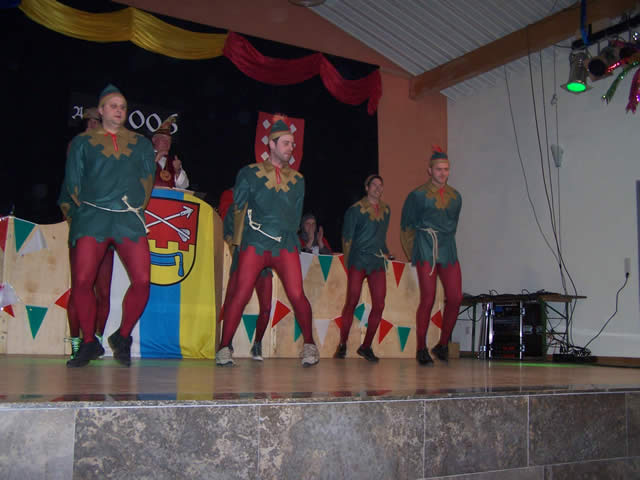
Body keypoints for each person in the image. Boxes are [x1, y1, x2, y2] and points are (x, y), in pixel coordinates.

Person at [62, 84, 155, 368]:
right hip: (93, 216)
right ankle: (89, 341)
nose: (119, 110)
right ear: (101, 110)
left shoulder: (141, 143)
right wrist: (91, 205)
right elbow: (73, 182)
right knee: (82, 281)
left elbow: (147, 179)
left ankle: (122, 337)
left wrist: (133, 205)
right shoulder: (82, 143)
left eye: (123, 107)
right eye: (113, 106)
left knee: (142, 280)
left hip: (128, 217)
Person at [216, 116, 319, 367]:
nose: (290, 148)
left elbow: (295, 216)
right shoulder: (249, 173)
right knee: (240, 293)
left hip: (284, 244)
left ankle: (310, 345)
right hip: (256, 242)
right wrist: (236, 242)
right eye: (285, 143)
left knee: (297, 293)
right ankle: (224, 347)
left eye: (292, 144)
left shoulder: (298, 180)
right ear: (271, 144)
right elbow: (237, 209)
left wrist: (293, 240)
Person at [59, 106, 113, 360]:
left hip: (107, 232)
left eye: (97, 122)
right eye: (89, 122)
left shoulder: (112, 158)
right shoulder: (75, 159)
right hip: (84, 232)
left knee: (104, 291)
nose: (93, 126)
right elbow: (66, 200)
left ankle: (97, 341)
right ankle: (77, 342)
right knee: (80, 287)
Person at [400, 146, 463, 365]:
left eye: (446, 169)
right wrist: (413, 253)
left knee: (455, 297)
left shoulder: (456, 197)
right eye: (438, 169)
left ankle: (442, 344)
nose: (442, 173)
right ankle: (421, 348)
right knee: (428, 298)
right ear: (430, 170)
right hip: (426, 247)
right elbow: (406, 226)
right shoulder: (417, 196)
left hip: (448, 249)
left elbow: (453, 225)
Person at [334, 175, 390, 362]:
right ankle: (342, 344)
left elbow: (381, 236)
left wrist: (386, 252)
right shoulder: (355, 210)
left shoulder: (386, 210)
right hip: (358, 261)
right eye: (374, 184)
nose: (377, 188)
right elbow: (347, 239)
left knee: (379, 304)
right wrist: (349, 264)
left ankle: (366, 347)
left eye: (380, 185)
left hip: (376, 262)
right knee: (352, 301)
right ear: (367, 188)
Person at [220, 188, 273, 361]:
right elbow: (227, 232)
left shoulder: (268, 210)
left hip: (263, 263)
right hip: (242, 261)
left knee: (266, 307)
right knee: (233, 303)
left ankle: (257, 345)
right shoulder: (236, 207)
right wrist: (235, 248)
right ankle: (225, 344)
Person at [152, 115, 189, 189]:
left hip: (168, 196)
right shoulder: (143, 155)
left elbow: (184, 185)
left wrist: (178, 171)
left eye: (169, 141)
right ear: (154, 140)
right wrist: (155, 160)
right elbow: (136, 175)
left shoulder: (173, 161)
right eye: (163, 139)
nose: (167, 143)